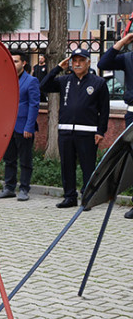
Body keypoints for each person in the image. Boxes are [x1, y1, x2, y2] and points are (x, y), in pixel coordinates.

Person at [41, 47, 109, 209]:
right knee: (67, 166)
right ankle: (69, 197)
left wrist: (101, 131)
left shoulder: (98, 82)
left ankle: (87, 198)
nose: (77, 64)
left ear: (88, 62)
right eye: (74, 61)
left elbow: (104, 110)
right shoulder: (64, 80)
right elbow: (43, 86)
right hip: (65, 131)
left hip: (88, 132)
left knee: (88, 167)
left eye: (81, 61)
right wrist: (58, 68)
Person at [0, 51, 40, 202]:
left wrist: (29, 127)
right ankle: (9, 187)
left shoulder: (31, 81)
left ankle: (24, 189)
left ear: (23, 63)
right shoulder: (6, 80)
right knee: (9, 159)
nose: (13, 64)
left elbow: (34, 105)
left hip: (24, 127)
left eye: (16, 61)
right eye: (11, 61)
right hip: (8, 127)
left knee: (25, 160)